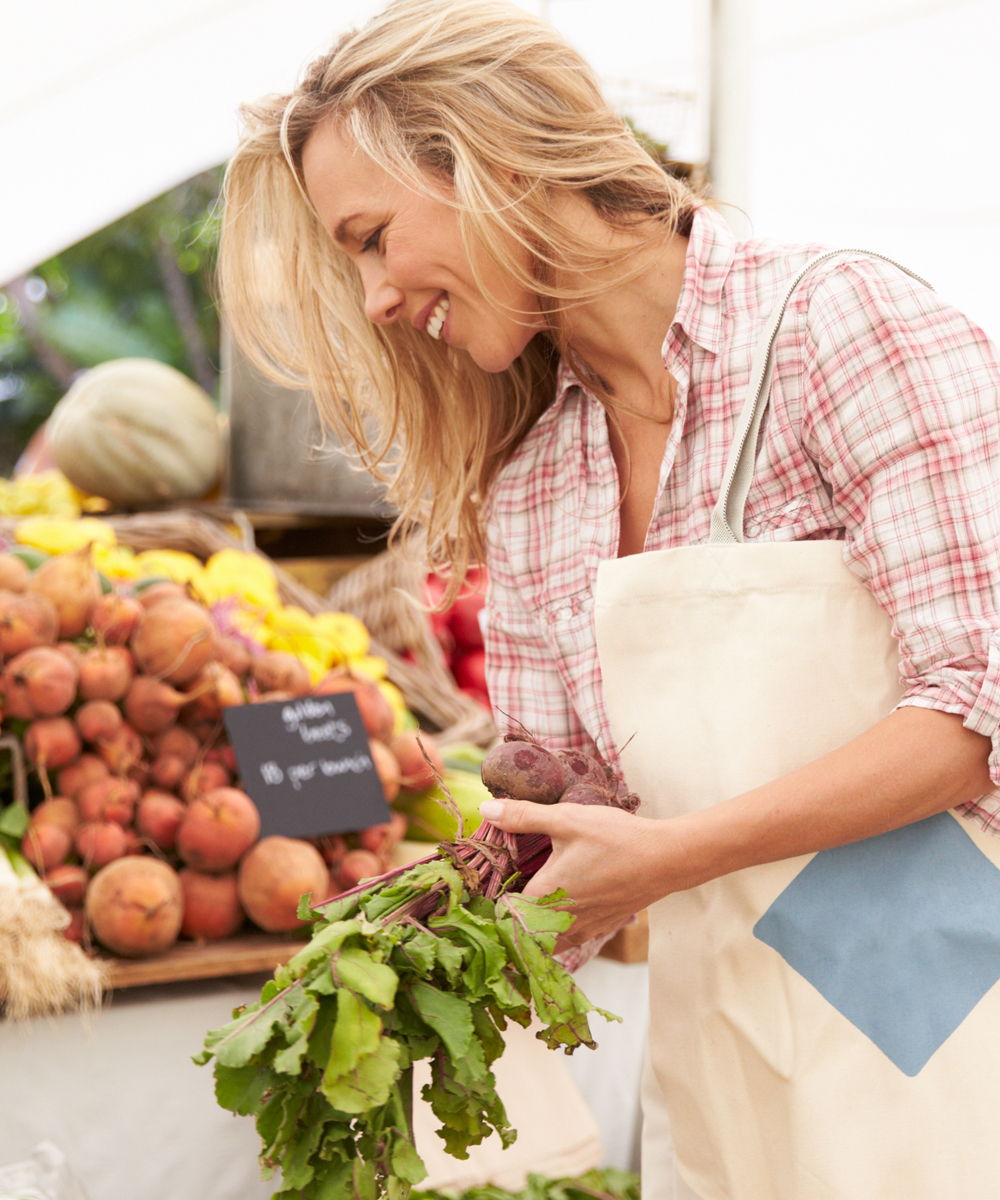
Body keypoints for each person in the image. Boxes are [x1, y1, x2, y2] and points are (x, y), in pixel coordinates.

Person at [220, 1, 1000, 1196]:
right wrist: (440, 906)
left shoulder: (838, 328)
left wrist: (666, 856)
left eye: (374, 236)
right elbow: (586, 805)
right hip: (728, 1031)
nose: (375, 297)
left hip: (943, 995)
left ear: (491, 157)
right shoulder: (541, 479)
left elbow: (971, 718)